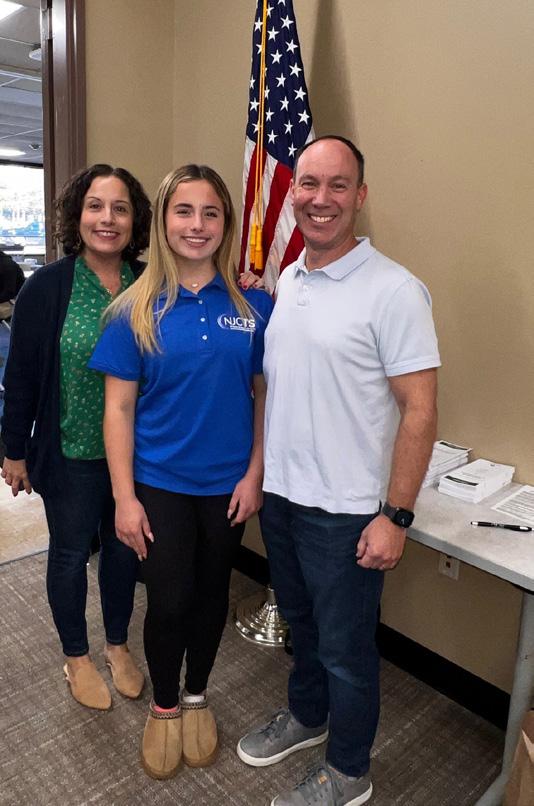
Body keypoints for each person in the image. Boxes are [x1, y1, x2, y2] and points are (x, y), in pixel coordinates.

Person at [237, 136, 441, 806]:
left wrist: (396, 516)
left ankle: (350, 771)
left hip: (348, 512)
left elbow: (419, 410)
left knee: (346, 652)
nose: (319, 199)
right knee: (301, 627)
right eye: (308, 184)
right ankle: (307, 715)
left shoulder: (395, 291)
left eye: (337, 185)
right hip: (284, 499)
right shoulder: (291, 278)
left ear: (360, 196)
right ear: (293, 192)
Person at [88, 164, 273, 779]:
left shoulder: (255, 306)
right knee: (168, 601)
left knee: (212, 596)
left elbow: (263, 397)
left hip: (228, 486)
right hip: (158, 483)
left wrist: (255, 472)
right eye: (184, 212)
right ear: (163, 222)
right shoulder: (133, 310)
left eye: (210, 213)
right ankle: (165, 704)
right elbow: (118, 409)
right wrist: (124, 499)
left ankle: (196, 694)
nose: (197, 225)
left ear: (226, 223)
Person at [0, 164, 151, 711]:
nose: (107, 219)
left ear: (135, 220)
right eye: (95, 206)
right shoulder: (46, 287)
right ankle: (77, 657)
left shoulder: (151, 282)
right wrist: (13, 451)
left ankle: (116, 645)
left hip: (138, 456)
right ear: (76, 215)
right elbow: (19, 376)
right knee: (68, 556)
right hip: (70, 454)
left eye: (120, 208)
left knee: (123, 554)